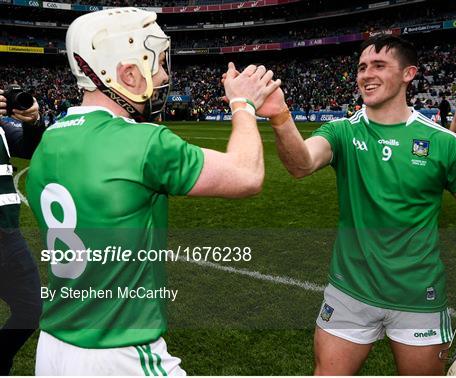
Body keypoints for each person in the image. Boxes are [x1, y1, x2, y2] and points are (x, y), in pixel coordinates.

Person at [25, 8, 280, 375]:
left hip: (54, 348)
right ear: (128, 74)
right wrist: (243, 104)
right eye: (157, 64)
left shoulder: (51, 139)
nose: (162, 76)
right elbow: (248, 175)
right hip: (117, 351)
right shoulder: (142, 143)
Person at [259, 35, 456, 375]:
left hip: (418, 297)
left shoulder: (443, 143)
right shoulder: (342, 131)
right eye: (361, 67)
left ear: (408, 73)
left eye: (378, 66)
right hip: (349, 291)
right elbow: (301, 164)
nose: (366, 74)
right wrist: (280, 117)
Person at [0, 89, 44, 374]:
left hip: (7, 235)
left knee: (30, 306)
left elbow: (30, 148)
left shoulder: (2, 126)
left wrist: (32, 121)